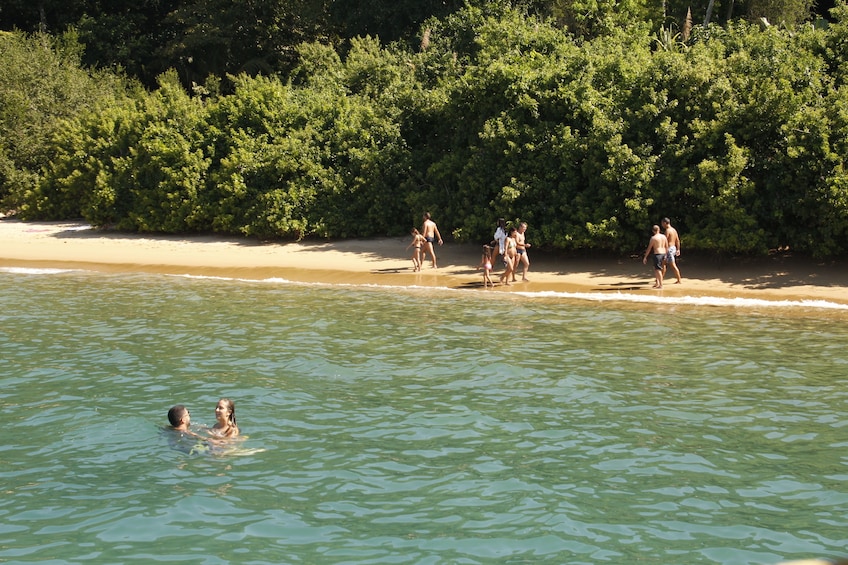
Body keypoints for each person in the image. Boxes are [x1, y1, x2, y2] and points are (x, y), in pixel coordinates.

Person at [643, 224, 668, 289]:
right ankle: (657, 283)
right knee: (657, 268)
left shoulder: (653, 238)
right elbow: (666, 246)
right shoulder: (664, 237)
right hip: (663, 253)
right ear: (659, 230)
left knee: (658, 269)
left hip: (657, 254)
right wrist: (666, 254)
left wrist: (645, 257)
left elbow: (649, 248)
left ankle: (661, 285)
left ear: (653, 231)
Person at [661, 217, 682, 284]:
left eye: (662, 223)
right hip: (673, 248)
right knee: (664, 263)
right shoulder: (674, 230)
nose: (662, 225)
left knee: (671, 265)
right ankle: (660, 278)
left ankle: (679, 280)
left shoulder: (668, 231)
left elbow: (665, 241)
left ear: (665, 223)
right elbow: (677, 241)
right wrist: (678, 249)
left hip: (669, 249)